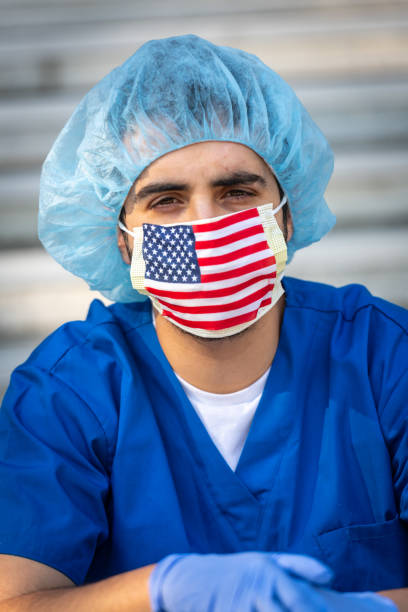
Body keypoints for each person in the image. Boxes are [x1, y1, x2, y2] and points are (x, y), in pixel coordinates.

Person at [0, 34, 407, 611]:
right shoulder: (69, 390)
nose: (205, 225)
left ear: (285, 218)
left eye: (236, 191)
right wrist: (160, 591)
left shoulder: (385, 355)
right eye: (166, 200)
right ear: (123, 242)